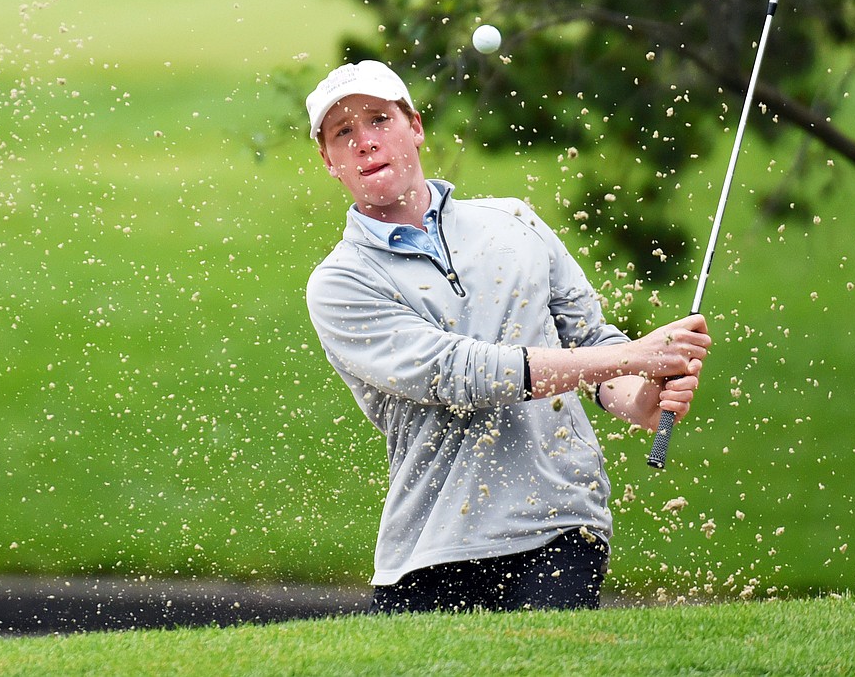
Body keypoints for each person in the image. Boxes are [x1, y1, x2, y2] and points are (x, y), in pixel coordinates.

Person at [304, 59, 711, 613]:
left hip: (560, 522)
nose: (364, 143)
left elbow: (588, 340)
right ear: (329, 160)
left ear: (415, 127)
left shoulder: (513, 221)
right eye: (343, 133)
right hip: (431, 548)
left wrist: (638, 397)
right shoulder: (341, 282)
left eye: (378, 120)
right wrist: (634, 355)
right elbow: (459, 374)